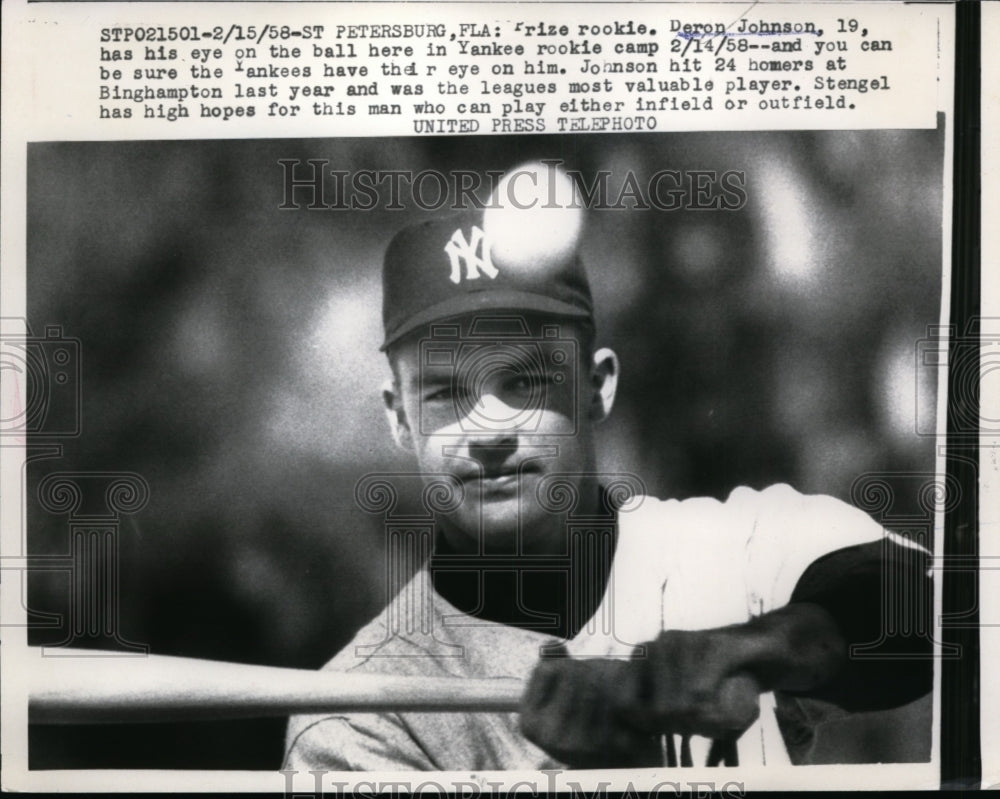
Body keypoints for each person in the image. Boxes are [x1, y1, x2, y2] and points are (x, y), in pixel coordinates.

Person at [283, 200, 932, 772]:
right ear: (399, 415)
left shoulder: (721, 552)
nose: (488, 430)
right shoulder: (359, 713)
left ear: (597, 386)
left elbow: (926, 613)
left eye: (525, 382)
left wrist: (768, 645)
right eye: (447, 392)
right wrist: (621, 773)